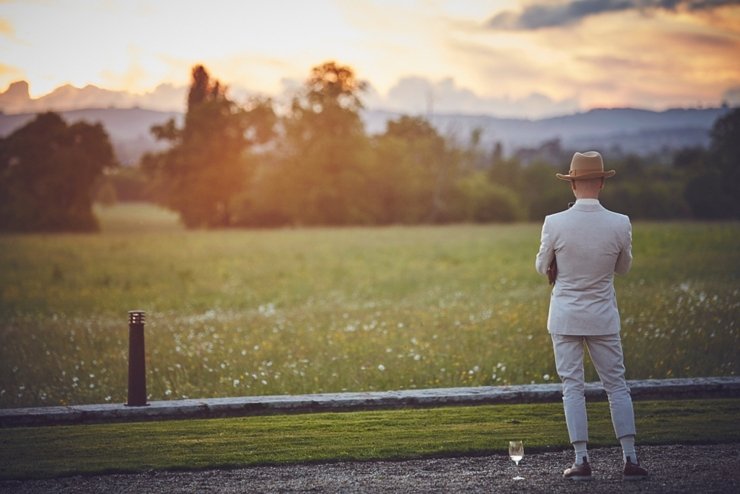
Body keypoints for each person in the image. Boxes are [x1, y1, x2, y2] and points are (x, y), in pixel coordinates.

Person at [535, 151, 648, 481]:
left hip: (566, 317)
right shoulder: (620, 222)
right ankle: (630, 458)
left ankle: (581, 460)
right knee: (617, 386)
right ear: (600, 182)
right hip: (602, 316)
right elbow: (623, 269)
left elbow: (542, 266)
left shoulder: (554, 222)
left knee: (572, 387)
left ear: (572, 185)